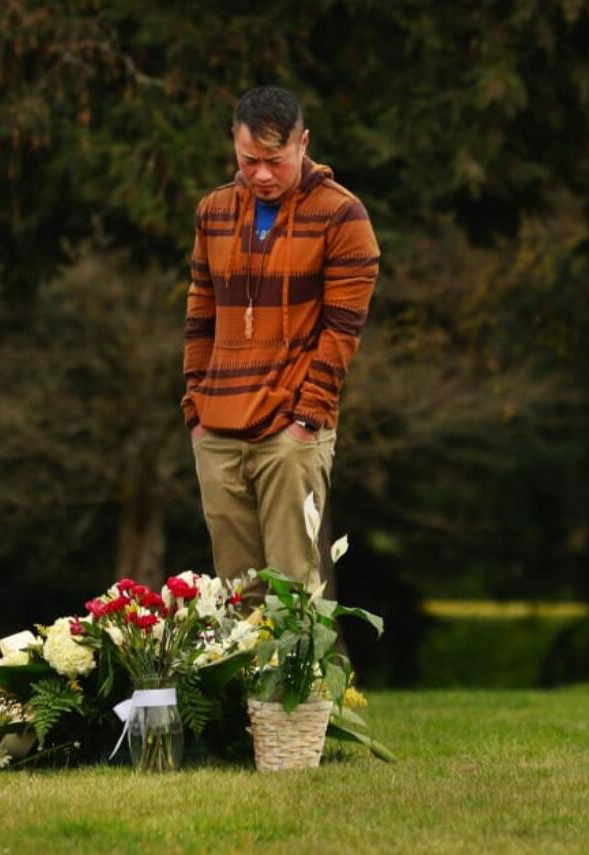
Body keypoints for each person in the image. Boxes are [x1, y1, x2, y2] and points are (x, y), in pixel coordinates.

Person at [182, 85, 379, 595]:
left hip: (291, 433)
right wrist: (195, 410)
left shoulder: (343, 215)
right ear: (234, 144)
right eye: (250, 160)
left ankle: (300, 681)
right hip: (218, 428)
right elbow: (200, 314)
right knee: (235, 598)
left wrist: (307, 421)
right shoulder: (214, 212)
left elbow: (342, 332)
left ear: (304, 143)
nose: (263, 174)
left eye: (276, 160)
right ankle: (243, 681)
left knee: (293, 596)